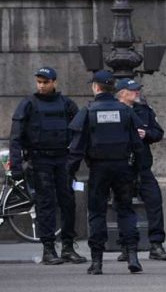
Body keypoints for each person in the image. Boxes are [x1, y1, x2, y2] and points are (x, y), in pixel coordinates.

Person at [67, 70, 145, 275]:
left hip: (99, 168)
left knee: (97, 213)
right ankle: (132, 255)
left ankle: (97, 262)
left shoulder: (88, 111)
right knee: (126, 210)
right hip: (123, 168)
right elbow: (137, 145)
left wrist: (69, 173)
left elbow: (76, 148)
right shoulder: (125, 111)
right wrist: (138, 171)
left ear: (95, 87)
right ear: (113, 88)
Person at [9, 66, 87, 265]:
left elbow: (80, 132)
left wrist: (75, 158)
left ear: (54, 82)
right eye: (39, 82)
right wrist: (16, 167)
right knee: (45, 205)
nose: (41, 86)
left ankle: (68, 247)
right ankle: (49, 249)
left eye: (45, 82)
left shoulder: (66, 104)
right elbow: (16, 137)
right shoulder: (28, 104)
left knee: (68, 203)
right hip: (39, 160)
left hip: (62, 160)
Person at [114, 78, 166, 261]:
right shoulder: (113, 110)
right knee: (123, 206)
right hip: (122, 167)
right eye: (133, 90)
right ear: (122, 93)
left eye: (137, 89)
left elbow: (158, 133)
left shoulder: (144, 110)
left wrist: (146, 134)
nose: (137, 92)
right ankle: (127, 247)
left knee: (154, 202)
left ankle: (156, 245)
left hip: (143, 168)